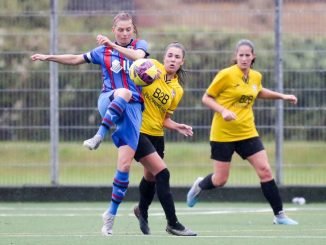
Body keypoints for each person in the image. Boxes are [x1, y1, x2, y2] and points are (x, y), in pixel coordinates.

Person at [31, 12, 149, 235]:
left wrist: (113, 46)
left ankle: (110, 216)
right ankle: (99, 135)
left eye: (128, 30)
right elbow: (76, 58)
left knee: (124, 166)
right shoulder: (102, 51)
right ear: (114, 30)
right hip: (109, 99)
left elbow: (138, 56)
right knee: (122, 91)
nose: (124, 33)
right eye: (120, 30)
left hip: (132, 110)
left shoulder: (139, 46)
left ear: (133, 31)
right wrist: (49, 57)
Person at [186, 39, 299, 225]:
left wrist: (282, 96)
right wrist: (223, 111)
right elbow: (206, 98)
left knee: (265, 171)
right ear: (236, 57)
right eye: (241, 55)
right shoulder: (226, 75)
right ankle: (199, 186)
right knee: (220, 180)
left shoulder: (256, 76)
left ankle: (279, 215)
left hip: (247, 132)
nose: (244, 58)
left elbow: (258, 91)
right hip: (223, 134)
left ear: (253, 57)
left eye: (248, 55)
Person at [133, 42, 196, 236]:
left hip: (157, 136)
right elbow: (133, 72)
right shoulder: (150, 68)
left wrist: (176, 126)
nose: (172, 59)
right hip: (138, 132)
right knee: (163, 173)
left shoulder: (177, 90)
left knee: (150, 176)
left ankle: (141, 210)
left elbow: (164, 119)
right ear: (164, 57)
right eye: (170, 55)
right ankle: (173, 223)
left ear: (182, 62)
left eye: (177, 57)